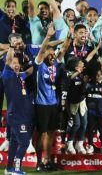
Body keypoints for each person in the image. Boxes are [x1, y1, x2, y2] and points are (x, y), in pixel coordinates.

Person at [34, 25, 68, 172]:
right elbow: (42, 50)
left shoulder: (55, 64)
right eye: (49, 52)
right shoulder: (39, 64)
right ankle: (38, 162)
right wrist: (48, 36)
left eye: (53, 53)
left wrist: (69, 37)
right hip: (41, 104)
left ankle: (47, 160)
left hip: (53, 104)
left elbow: (65, 48)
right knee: (42, 133)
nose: (52, 55)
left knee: (51, 132)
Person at [3, 46, 34, 175]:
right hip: (16, 115)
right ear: (8, 64)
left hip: (21, 115)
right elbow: (9, 59)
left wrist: (30, 60)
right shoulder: (7, 75)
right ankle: (17, 169)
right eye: (13, 63)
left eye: (18, 63)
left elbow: (30, 71)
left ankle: (9, 168)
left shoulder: (19, 76)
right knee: (24, 143)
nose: (16, 65)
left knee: (15, 143)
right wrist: (12, 46)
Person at [86, 68, 102, 154]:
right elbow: (83, 94)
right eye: (97, 75)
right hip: (91, 111)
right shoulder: (88, 85)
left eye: (100, 75)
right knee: (91, 128)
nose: (99, 76)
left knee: (101, 128)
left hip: (100, 111)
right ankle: (90, 145)